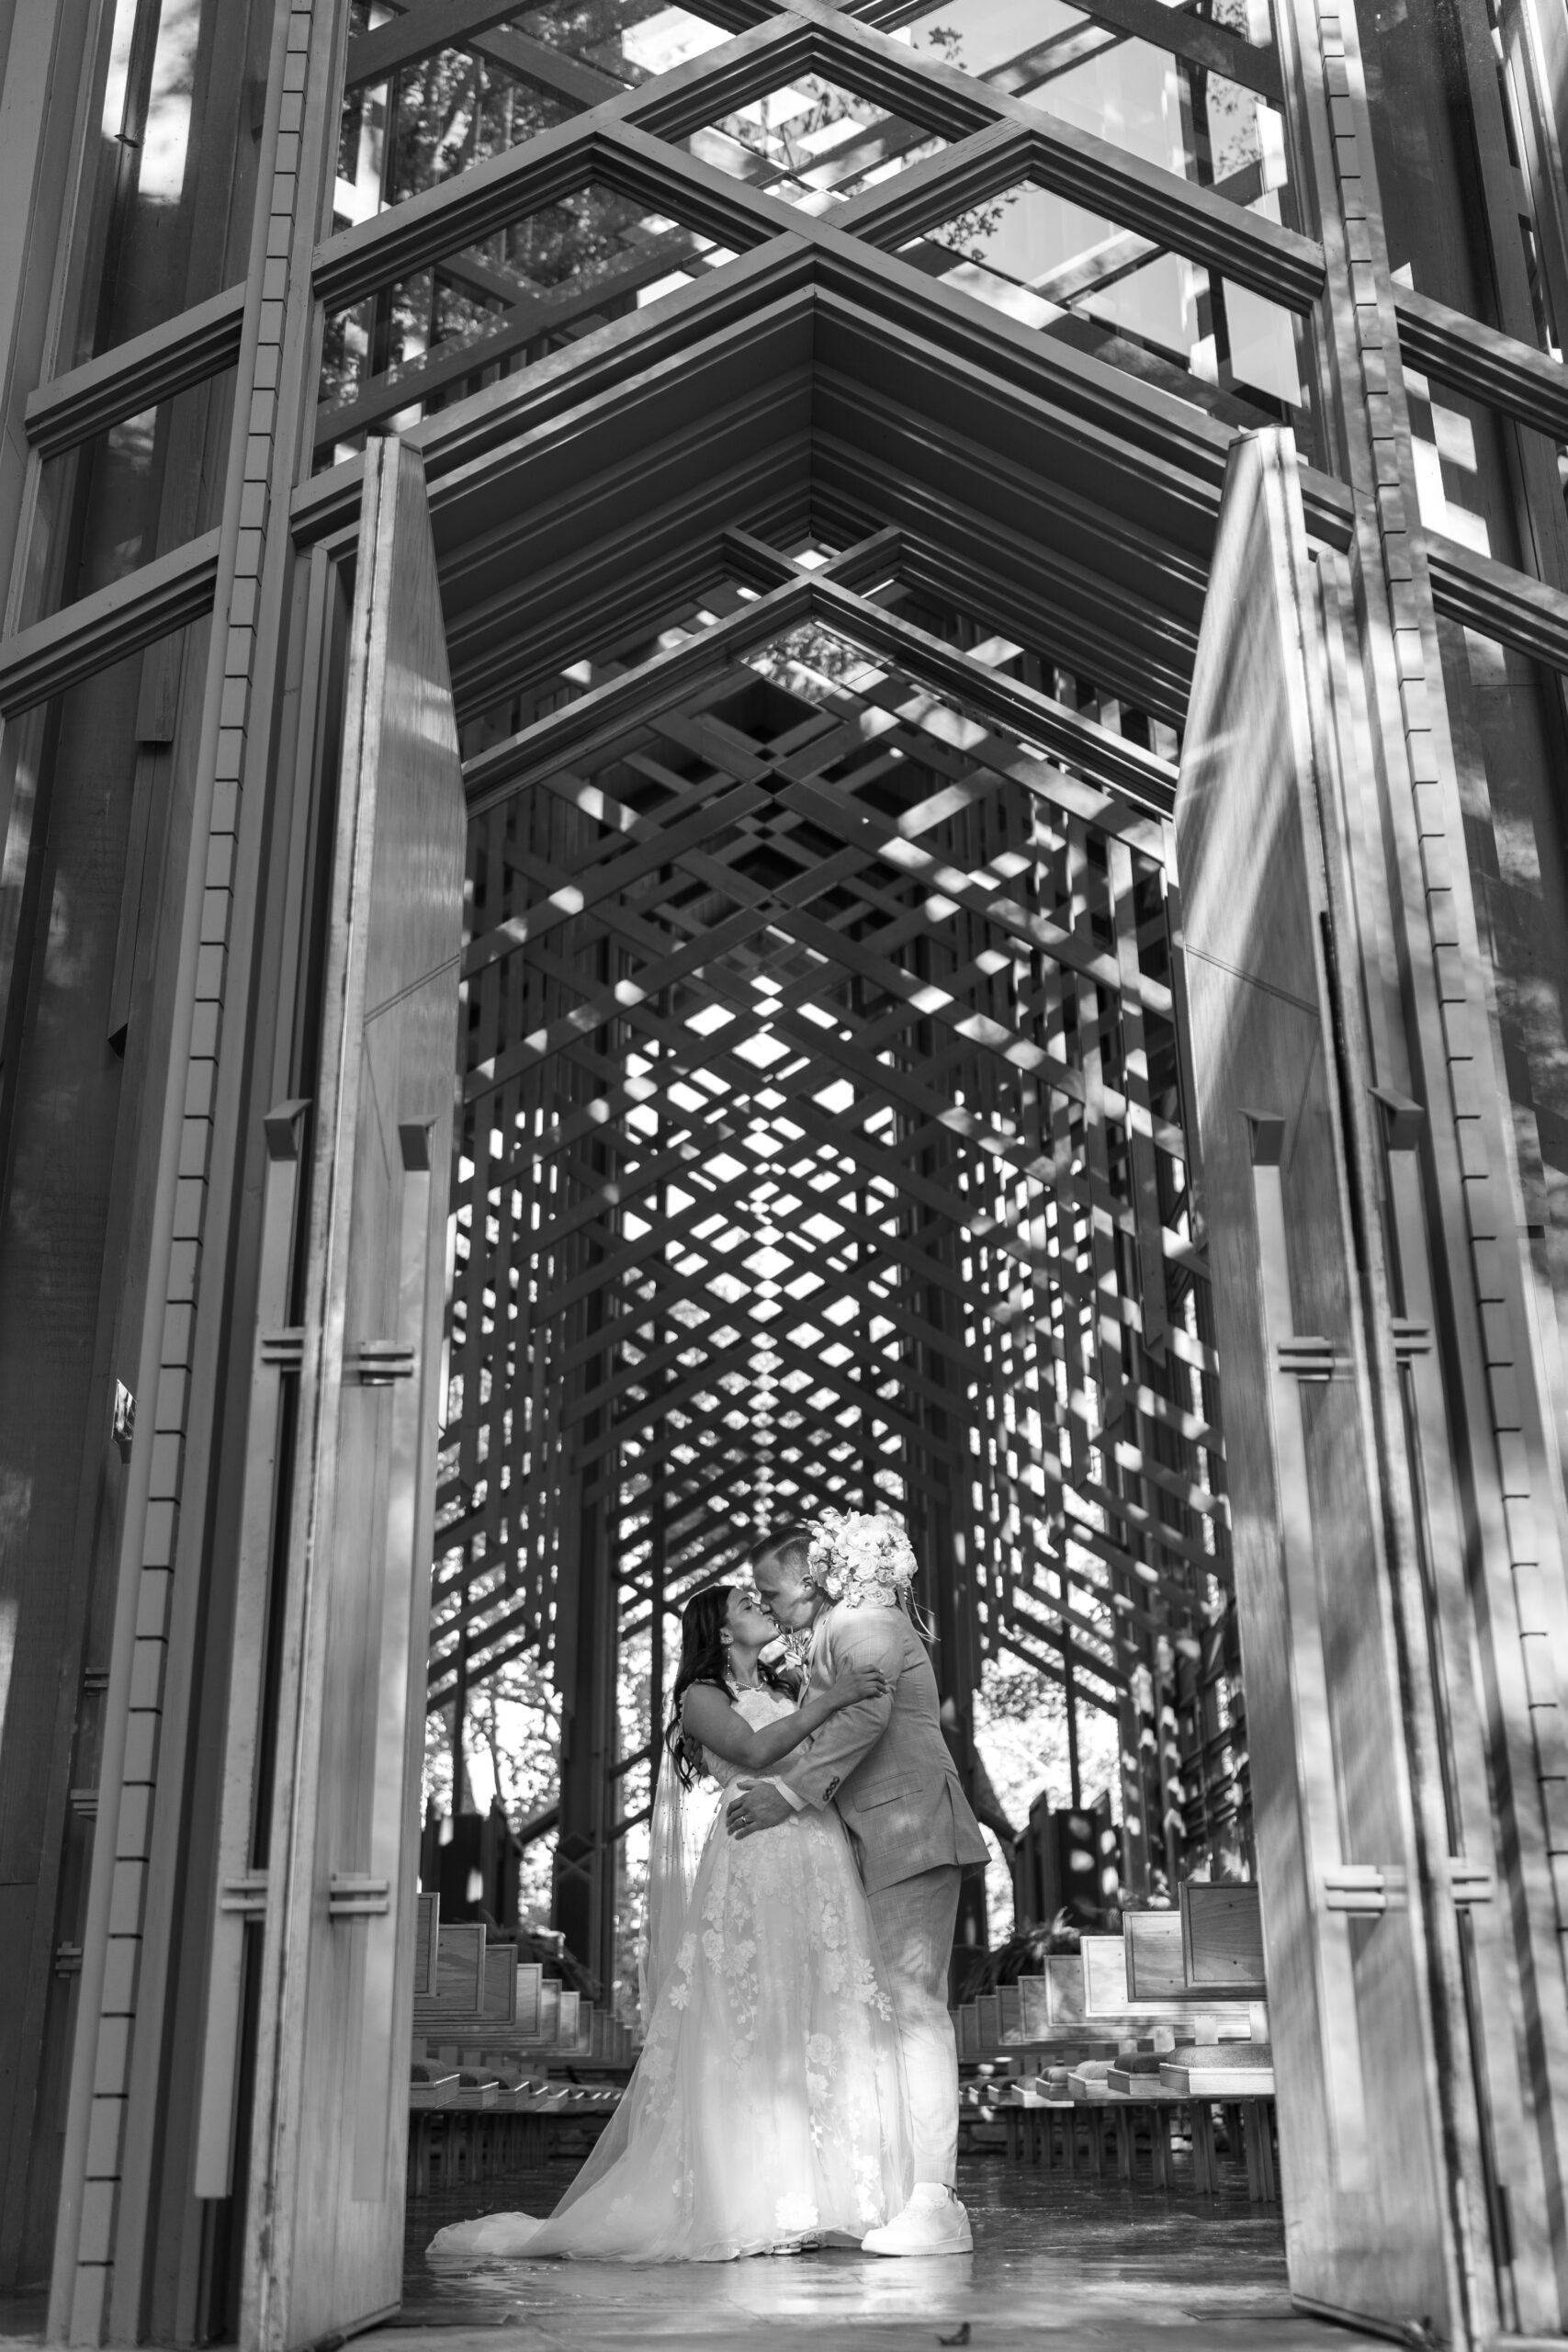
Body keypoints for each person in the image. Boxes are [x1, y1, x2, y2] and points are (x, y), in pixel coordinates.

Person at [426, 1580, 910, 2263]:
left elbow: (830, 1750)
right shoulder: (701, 1698)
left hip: (816, 1849)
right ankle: (748, 2196)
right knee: (754, 2008)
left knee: (818, 2007)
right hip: (755, 1857)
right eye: (747, 1605)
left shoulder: (792, 1679)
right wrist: (830, 1700)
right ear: (716, 1630)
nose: (763, 1608)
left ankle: (827, 2195)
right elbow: (753, 1750)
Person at [728, 1512, 988, 2256]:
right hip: (872, 1838)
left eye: (771, 1592)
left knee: (913, 2012)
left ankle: (936, 2204)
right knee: (882, 2018)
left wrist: (788, 1794)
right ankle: (888, 2194)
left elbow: (867, 1714)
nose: (768, 1606)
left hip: (906, 1830)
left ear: (812, 1581)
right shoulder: (831, 1634)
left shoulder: (864, 1623)